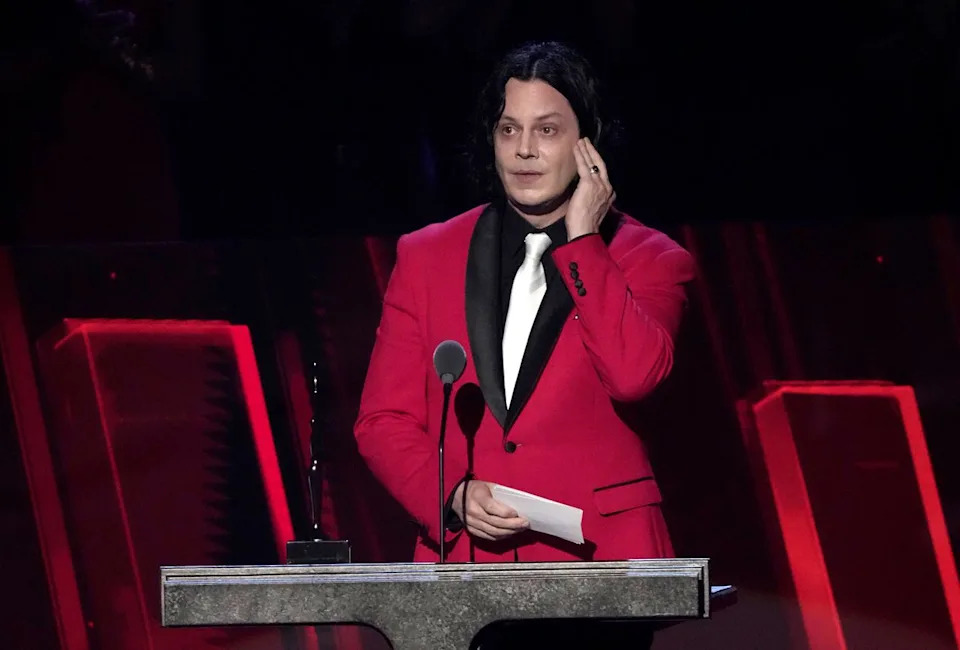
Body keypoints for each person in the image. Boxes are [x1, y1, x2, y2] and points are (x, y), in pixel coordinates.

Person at [355, 37, 694, 575]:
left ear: (589, 141)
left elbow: (633, 378)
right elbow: (383, 419)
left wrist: (582, 242)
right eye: (508, 129)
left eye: (548, 130)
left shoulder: (650, 258)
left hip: (603, 560)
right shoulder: (426, 255)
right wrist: (450, 494)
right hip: (467, 558)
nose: (524, 150)